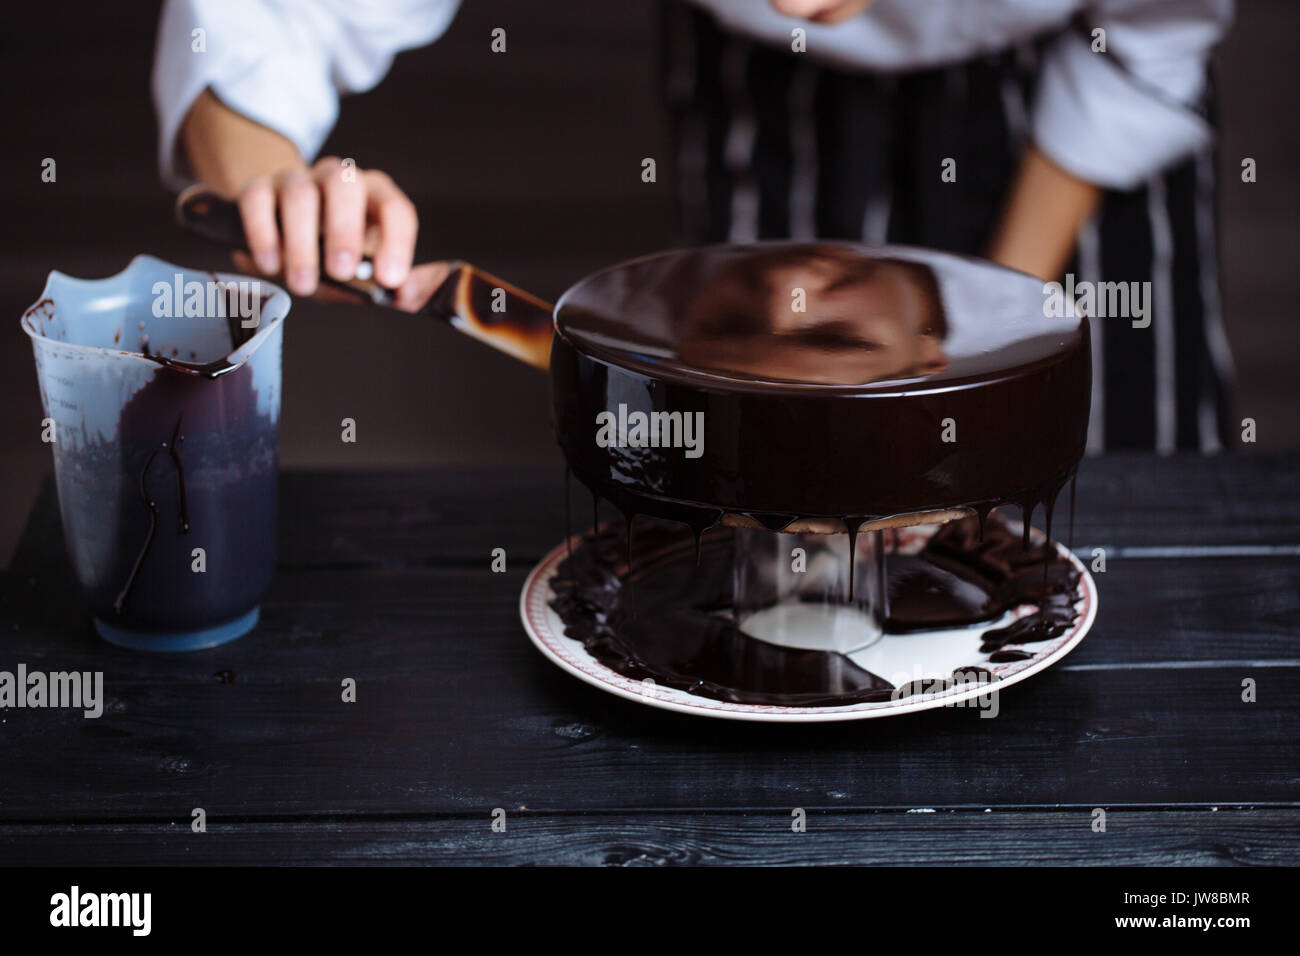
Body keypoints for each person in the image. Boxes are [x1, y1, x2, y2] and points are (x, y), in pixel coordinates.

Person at [153, 0, 1236, 451]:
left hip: (1081, 58)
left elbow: (1152, 32)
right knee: (749, 454)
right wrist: (282, 190)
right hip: (763, 94)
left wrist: (996, 354)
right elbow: (268, 25)